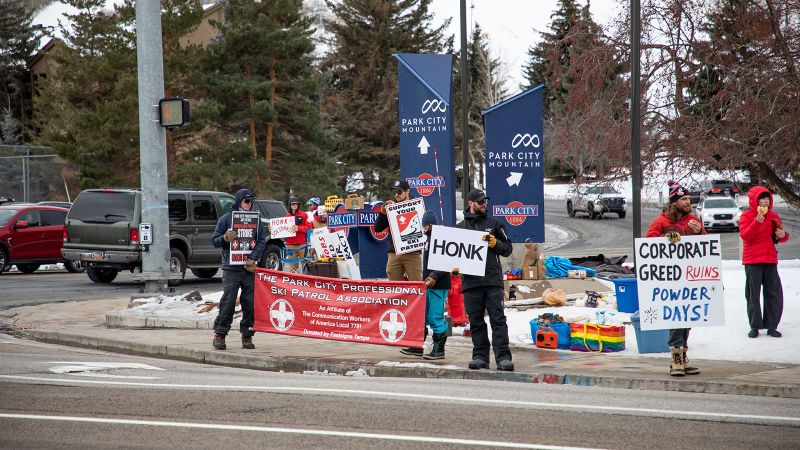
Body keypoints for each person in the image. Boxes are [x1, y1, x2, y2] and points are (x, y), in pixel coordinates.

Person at [646, 180, 706, 376]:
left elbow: (705, 246)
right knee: (676, 317)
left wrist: (699, 232)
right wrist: (666, 239)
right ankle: (676, 358)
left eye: (689, 198)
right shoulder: (661, 222)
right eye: (685, 199)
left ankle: (684, 355)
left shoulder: (693, 220)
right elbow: (648, 245)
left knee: (687, 316)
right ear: (675, 201)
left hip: (690, 277)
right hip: (670, 278)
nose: (689, 202)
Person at [457, 189, 514, 371]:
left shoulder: (495, 224)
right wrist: (454, 268)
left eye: (485, 202)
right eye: (480, 202)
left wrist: (495, 243)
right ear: (470, 203)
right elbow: (452, 254)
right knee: (476, 322)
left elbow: (507, 248)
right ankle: (480, 357)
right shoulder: (459, 228)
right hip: (471, 283)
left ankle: (503, 357)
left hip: (492, 281)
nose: (484, 204)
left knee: (498, 319)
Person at [211, 189, 266, 350]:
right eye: (246, 201)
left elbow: (261, 241)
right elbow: (214, 240)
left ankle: (247, 335)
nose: (249, 204)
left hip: (248, 268)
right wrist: (225, 238)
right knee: (228, 301)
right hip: (231, 267)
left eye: (251, 202)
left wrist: (253, 257)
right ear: (239, 201)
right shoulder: (227, 219)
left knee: (249, 303)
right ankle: (220, 334)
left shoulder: (256, 220)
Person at [399, 210, 451, 359]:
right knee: (422, 315)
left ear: (430, 225)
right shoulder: (428, 239)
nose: (424, 228)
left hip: (439, 284)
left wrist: (434, 275)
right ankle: (417, 345)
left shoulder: (440, 238)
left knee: (435, 316)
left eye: (425, 225)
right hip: (428, 284)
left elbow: (446, 260)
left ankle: (439, 349)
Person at [740, 186, 790, 338]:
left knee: (773, 293)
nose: (766, 201)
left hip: (769, 259)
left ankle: (772, 325)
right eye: (762, 199)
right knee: (753, 294)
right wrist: (757, 222)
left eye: (767, 198)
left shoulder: (773, 215)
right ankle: (755, 326)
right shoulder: (746, 216)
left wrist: (783, 235)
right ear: (755, 201)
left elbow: (779, 236)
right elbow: (745, 236)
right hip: (752, 260)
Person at [373, 180, 423, 281]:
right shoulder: (391, 208)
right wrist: (383, 213)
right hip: (394, 253)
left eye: (399, 192)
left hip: (412, 252)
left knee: (416, 284)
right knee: (394, 287)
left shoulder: (417, 206)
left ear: (407, 191)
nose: (396, 195)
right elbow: (377, 228)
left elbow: (426, 227)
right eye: (394, 192)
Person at [284, 196, 311, 271]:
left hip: (302, 244)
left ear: (298, 205)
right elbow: (282, 231)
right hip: (290, 245)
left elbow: (309, 227)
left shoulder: (304, 215)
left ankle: (307, 281)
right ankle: (293, 282)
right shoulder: (286, 217)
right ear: (290, 205)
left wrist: (298, 228)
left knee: (307, 265)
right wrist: (273, 229)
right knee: (292, 268)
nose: (294, 205)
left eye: (296, 204)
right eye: (293, 204)